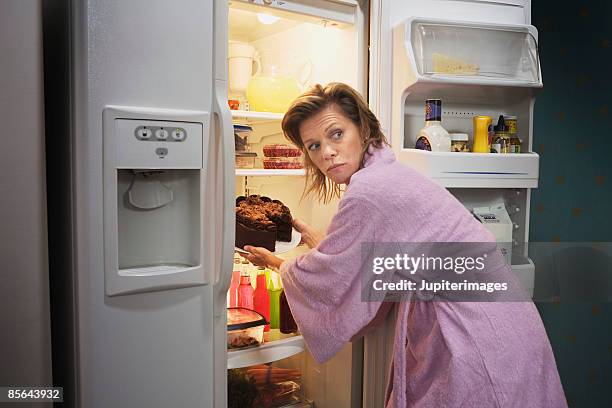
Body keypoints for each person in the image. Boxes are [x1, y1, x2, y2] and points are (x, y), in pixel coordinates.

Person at [241, 83, 566, 407]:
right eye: (313, 146)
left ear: (363, 128)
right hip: (503, 323)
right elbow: (368, 261)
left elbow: (334, 279)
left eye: (336, 134)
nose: (326, 152)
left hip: (475, 335)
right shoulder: (388, 173)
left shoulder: (370, 190)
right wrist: (322, 246)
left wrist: (278, 264)